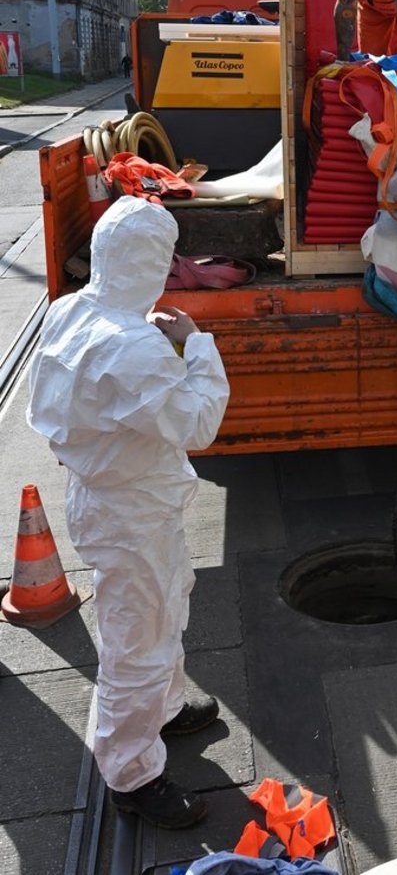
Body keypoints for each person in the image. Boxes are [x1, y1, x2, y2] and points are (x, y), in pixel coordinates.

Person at [26, 196, 230, 829]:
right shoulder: (131, 345)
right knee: (135, 641)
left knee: (165, 603)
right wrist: (196, 345)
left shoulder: (70, 309)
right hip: (130, 507)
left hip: (115, 496)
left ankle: (163, 710)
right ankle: (132, 775)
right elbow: (198, 421)